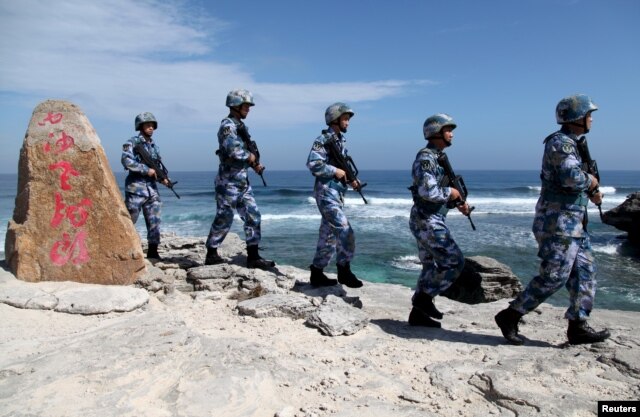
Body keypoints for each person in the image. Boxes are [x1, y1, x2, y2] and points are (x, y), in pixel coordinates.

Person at [495, 94, 611, 345]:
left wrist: (590, 191)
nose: (591, 119)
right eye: (588, 115)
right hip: (558, 222)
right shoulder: (560, 143)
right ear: (576, 118)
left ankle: (578, 326)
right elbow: (571, 177)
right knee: (555, 275)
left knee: (585, 272)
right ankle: (511, 314)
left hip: (573, 222)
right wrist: (590, 181)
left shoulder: (573, 143)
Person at [407, 114, 471, 328]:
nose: (451, 134)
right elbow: (427, 190)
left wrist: (457, 202)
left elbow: (441, 191)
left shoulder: (438, 157)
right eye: (447, 130)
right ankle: (423, 299)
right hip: (427, 219)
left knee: (429, 266)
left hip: (430, 217)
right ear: (435, 133)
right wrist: (451, 193)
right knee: (454, 261)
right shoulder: (426, 158)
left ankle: (418, 315)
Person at [204, 89, 275, 270]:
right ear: (235, 105)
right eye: (245, 105)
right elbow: (233, 151)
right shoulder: (228, 126)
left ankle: (253, 257)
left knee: (253, 216)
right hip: (228, 181)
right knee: (224, 217)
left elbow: (244, 153)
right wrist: (250, 157)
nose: (248, 109)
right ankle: (211, 253)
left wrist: (255, 164)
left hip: (242, 181)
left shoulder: (241, 127)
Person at [306, 102, 364, 288]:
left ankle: (317, 273)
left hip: (336, 193)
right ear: (335, 119)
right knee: (345, 230)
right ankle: (344, 270)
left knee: (328, 236)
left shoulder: (340, 141)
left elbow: (343, 167)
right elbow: (313, 164)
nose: (348, 122)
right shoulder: (323, 140)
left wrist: (351, 180)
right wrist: (335, 171)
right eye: (345, 119)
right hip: (326, 192)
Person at [121, 112, 168, 259]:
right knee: (129, 219)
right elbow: (127, 161)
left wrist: (163, 178)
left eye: (152, 125)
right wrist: (146, 170)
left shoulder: (154, 146)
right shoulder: (132, 143)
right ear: (140, 127)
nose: (151, 128)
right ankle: (122, 246)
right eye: (147, 125)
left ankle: (153, 251)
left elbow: (157, 166)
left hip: (152, 190)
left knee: (154, 220)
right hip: (136, 188)